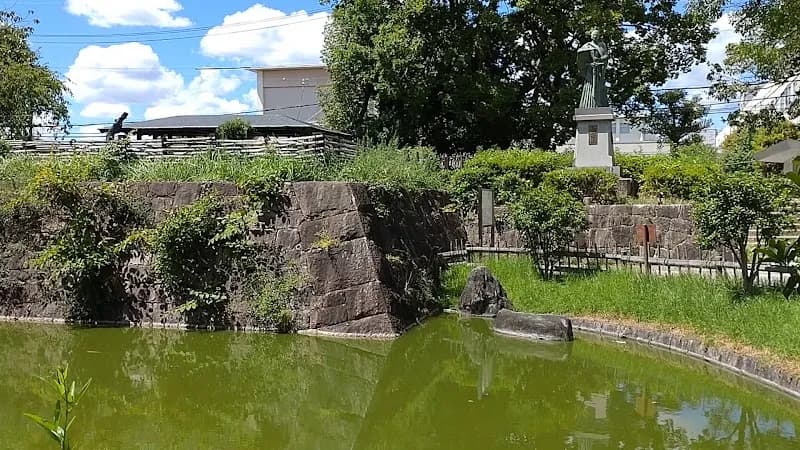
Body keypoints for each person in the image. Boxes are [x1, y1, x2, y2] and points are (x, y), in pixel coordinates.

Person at [577, 29, 610, 108]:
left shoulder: (602, 45)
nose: (595, 36)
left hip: (599, 70)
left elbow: (606, 55)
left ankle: (600, 104)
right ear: (591, 36)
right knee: (590, 86)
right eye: (593, 35)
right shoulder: (587, 45)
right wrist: (590, 64)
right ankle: (588, 104)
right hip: (591, 71)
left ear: (599, 36)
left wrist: (599, 59)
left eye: (597, 35)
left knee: (600, 86)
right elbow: (581, 58)